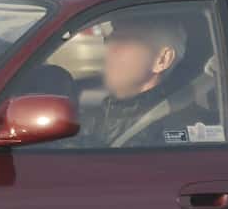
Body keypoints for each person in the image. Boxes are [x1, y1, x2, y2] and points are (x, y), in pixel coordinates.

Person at [75, 14, 194, 149]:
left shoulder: (178, 128)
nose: (110, 50)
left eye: (124, 42)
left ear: (162, 59)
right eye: (110, 40)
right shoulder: (98, 114)